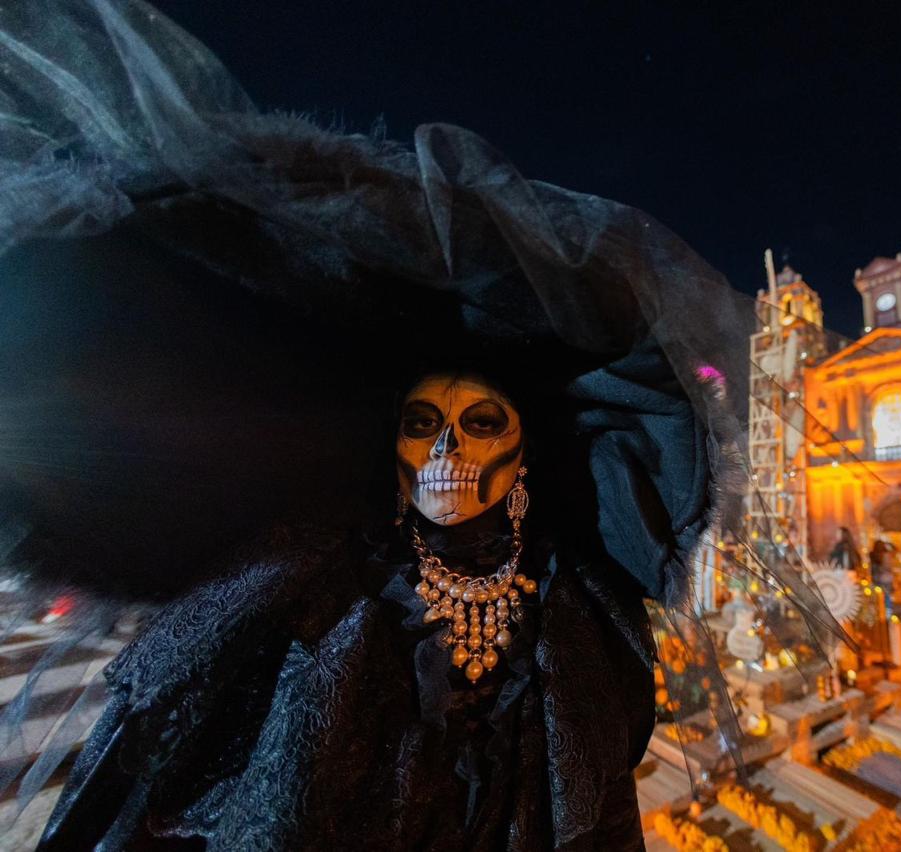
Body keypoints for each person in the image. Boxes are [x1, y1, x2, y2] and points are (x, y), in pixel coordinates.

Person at [0, 3, 848, 847]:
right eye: (421, 423)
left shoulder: (577, 607)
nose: (446, 451)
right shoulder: (297, 587)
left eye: (480, 421)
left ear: (525, 453)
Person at [869, 540, 897, 617]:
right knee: (887, 597)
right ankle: (888, 614)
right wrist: (888, 543)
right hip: (886, 579)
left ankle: (878, 615)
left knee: (878, 598)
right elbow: (895, 549)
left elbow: (871, 569)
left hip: (876, 580)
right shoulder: (887, 555)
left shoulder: (872, 555)